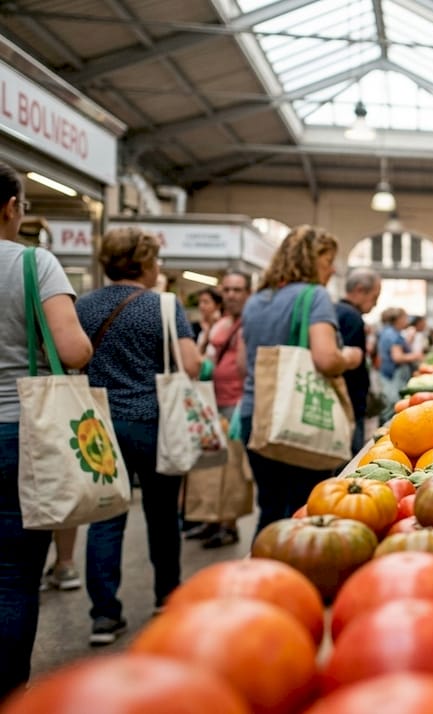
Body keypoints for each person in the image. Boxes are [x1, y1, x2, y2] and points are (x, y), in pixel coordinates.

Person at [76, 226, 202, 646]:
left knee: (106, 517)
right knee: (163, 513)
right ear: (146, 263)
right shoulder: (164, 306)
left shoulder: (84, 305)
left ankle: (104, 616)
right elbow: (191, 366)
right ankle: (168, 596)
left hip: (99, 425)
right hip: (154, 423)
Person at [0, 164, 93, 697]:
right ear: (10, 208)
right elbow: (74, 350)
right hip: (18, 433)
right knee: (13, 576)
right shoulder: (35, 263)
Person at [238, 225, 362, 534]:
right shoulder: (314, 296)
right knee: (302, 508)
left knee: (270, 508)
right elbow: (325, 358)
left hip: (256, 416)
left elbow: (244, 362)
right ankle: (291, 578)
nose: (332, 269)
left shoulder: (256, 300)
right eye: (327, 260)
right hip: (298, 418)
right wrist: (351, 356)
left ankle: (260, 573)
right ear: (311, 260)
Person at [184, 270, 251, 548]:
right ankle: (210, 520)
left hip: (236, 404)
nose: (232, 295)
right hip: (212, 402)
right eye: (228, 290)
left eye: (238, 290)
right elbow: (205, 359)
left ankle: (229, 525)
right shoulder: (220, 324)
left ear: (248, 293)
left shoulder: (250, 324)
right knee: (209, 464)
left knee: (232, 469)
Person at [335, 268, 382, 455]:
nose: (376, 304)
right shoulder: (352, 318)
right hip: (349, 405)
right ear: (360, 290)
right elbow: (348, 366)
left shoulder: (335, 310)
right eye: (374, 297)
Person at [376, 307, 422, 422]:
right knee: (392, 406)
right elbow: (397, 357)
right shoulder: (394, 335)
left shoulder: (387, 332)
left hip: (387, 374)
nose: (407, 321)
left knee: (387, 404)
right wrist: (416, 356)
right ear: (398, 319)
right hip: (394, 376)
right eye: (405, 317)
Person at [191, 287, 222, 354]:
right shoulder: (193, 327)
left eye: (206, 302)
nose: (201, 306)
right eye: (200, 302)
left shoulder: (222, 326)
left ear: (217, 305)